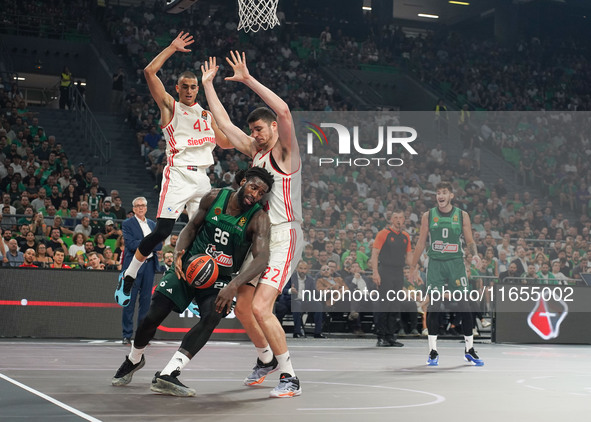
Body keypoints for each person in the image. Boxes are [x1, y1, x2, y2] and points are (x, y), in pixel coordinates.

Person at [111, 168, 273, 397]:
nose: (255, 195)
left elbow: (263, 258)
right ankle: (134, 359)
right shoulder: (214, 196)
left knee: (212, 315)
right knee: (152, 315)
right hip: (190, 264)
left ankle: (169, 373)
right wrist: (179, 251)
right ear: (243, 182)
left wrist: (234, 285)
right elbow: (192, 227)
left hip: (220, 279)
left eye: (261, 193)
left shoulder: (258, 218)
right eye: (254, 188)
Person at [201, 52, 304, 397]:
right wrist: (207, 86)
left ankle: (290, 376)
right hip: (260, 237)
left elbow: (286, 110)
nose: (254, 135)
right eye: (253, 131)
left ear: (272, 127)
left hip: (285, 235)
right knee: (243, 306)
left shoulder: (285, 152)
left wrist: (247, 79)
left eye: (259, 129)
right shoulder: (256, 153)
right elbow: (226, 126)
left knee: (262, 307)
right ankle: (265, 358)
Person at [115, 31, 231, 309]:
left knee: (204, 236)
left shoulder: (206, 115)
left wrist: (225, 119)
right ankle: (128, 276)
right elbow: (148, 72)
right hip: (178, 173)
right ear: (177, 89)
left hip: (202, 179)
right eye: (185, 86)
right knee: (163, 231)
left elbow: (226, 143)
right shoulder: (171, 106)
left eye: (193, 86)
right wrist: (171, 48)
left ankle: (189, 288)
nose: (190, 90)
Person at [410, 181, 484, 367]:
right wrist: (413, 267)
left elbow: (469, 239)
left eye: (444, 192)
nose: (440, 196)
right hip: (435, 263)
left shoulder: (461, 215)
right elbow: (420, 243)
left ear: (451, 195)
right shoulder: (428, 215)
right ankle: (433, 351)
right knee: (434, 305)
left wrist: (474, 255)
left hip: (455, 263)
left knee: (464, 306)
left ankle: (469, 349)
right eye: (438, 193)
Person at [120, 197, 162, 345]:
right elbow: (131, 245)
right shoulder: (127, 224)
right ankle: (127, 334)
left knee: (145, 302)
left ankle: (142, 335)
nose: (140, 208)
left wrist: (145, 244)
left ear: (146, 207)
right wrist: (149, 242)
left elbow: (159, 246)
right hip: (134, 265)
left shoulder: (152, 224)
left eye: (143, 205)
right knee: (129, 301)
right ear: (133, 209)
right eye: (137, 206)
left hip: (149, 265)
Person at [371, 210, 411, 347]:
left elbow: (409, 256)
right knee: (384, 304)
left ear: (404, 220)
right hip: (385, 271)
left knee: (395, 305)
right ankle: (380, 336)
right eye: (396, 218)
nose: (398, 220)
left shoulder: (406, 236)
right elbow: (375, 254)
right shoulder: (383, 234)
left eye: (401, 217)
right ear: (391, 220)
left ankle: (390, 336)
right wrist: (375, 273)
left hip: (398, 272)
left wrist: (415, 270)